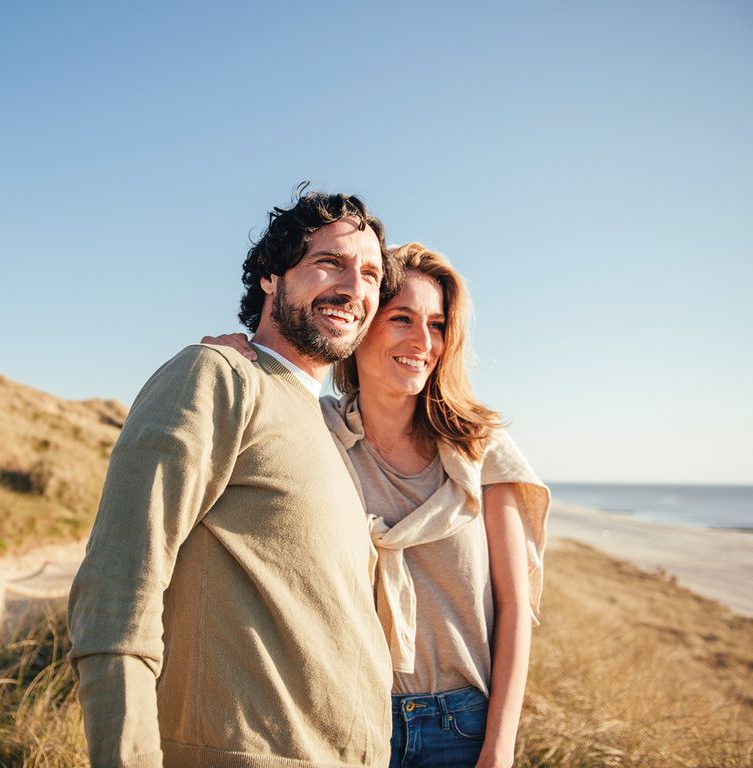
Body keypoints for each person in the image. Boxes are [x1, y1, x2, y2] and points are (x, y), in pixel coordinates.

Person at [67, 186, 400, 768]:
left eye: (370, 274)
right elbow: (118, 589)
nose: (354, 288)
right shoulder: (218, 376)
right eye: (330, 262)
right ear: (271, 275)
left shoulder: (324, 426)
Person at [205, 242, 550, 768]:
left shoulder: (481, 449)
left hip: (460, 727)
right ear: (361, 325)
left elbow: (515, 609)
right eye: (401, 318)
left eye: (437, 325)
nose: (422, 341)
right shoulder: (311, 430)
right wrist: (229, 360)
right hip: (341, 719)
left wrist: (499, 749)